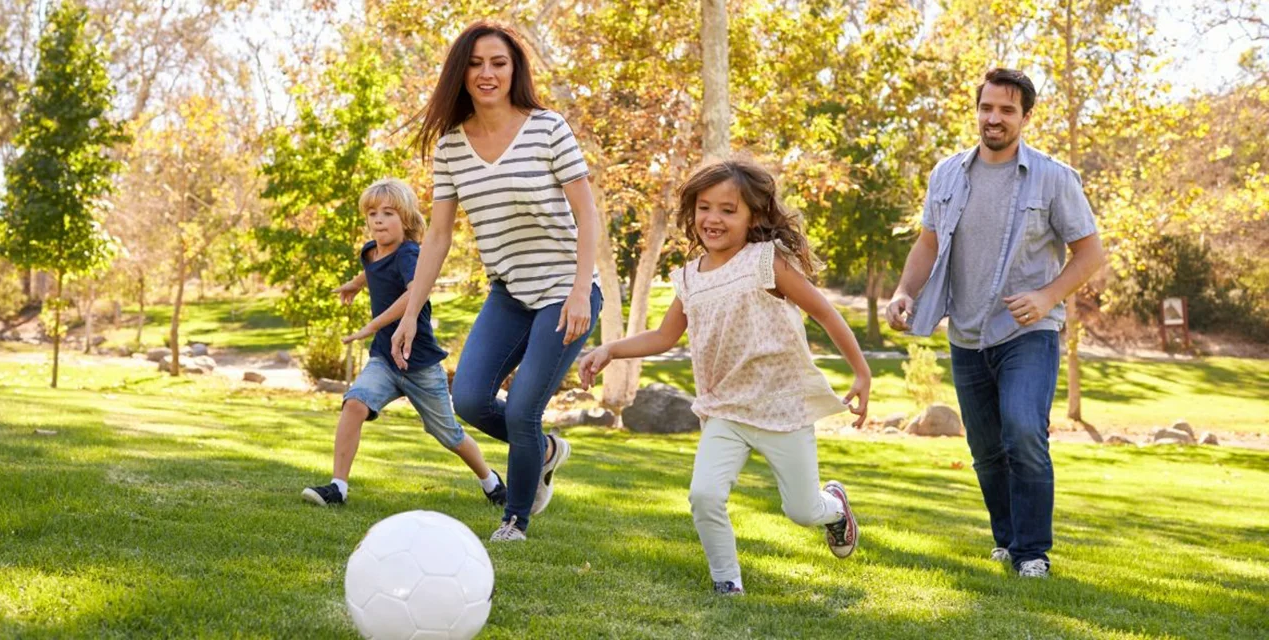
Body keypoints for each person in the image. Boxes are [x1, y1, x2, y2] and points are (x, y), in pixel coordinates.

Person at [578, 159, 870, 596]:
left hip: (779, 406)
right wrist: (610, 349)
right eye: (704, 208)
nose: (713, 219)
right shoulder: (689, 279)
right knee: (705, 496)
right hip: (724, 409)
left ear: (754, 215)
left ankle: (834, 509)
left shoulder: (766, 262)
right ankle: (726, 581)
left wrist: (861, 372)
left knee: (802, 511)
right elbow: (663, 336)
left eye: (728, 210)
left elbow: (824, 312)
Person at [885, 68, 1106, 578]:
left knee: (1024, 432)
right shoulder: (947, 174)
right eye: (987, 107)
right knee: (985, 448)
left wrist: (1048, 294)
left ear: (1026, 117)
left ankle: (1033, 553)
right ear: (977, 110)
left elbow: (1090, 253)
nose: (994, 118)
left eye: (1007, 110)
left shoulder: (1054, 177)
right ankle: (1007, 540)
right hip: (966, 331)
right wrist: (904, 292)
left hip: (1028, 331)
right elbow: (928, 243)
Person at [388, 22, 602, 542]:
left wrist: (579, 290)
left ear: (514, 70)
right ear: (461, 73)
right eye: (477, 63)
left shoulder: (549, 128)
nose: (488, 73)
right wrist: (411, 312)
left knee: (526, 407)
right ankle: (546, 451)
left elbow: (589, 215)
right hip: (508, 293)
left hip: (564, 291)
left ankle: (515, 519)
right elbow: (438, 237)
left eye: (499, 63)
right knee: (469, 400)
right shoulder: (452, 147)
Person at [301, 178, 505, 508]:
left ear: (406, 220)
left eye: (388, 213)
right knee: (354, 403)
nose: (378, 220)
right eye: (372, 213)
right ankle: (337, 487)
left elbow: (415, 292)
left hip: (419, 363)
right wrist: (355, 284)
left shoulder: (411, 255)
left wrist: (373, 324)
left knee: (448, 434)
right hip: (384, 358)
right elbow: (373, 270)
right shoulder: (370, 251)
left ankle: (492, 482)